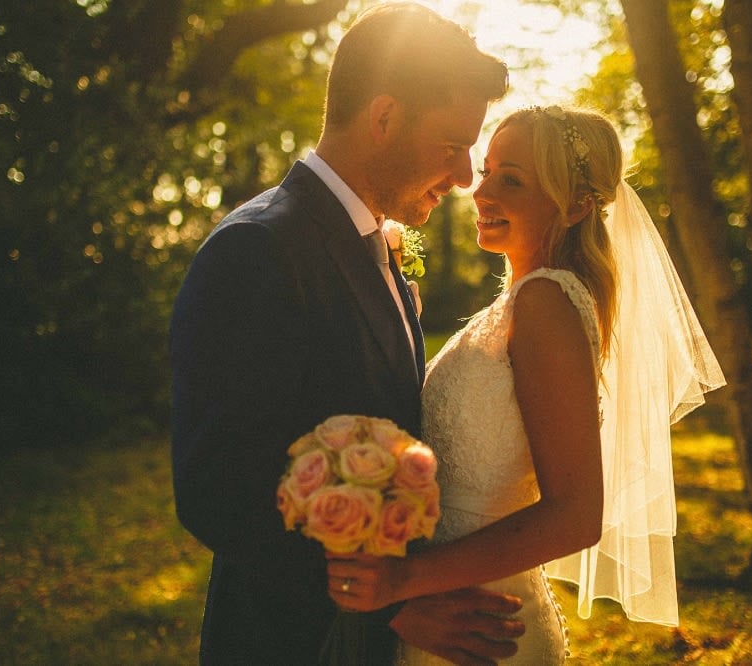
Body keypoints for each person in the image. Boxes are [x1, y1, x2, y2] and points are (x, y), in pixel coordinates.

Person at [170, 3, 521, 664]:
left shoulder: (381, 244)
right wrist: (393, 606)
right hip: (289, 640)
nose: (467, 176)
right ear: (384, 118)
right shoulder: (257, 251)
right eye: (453, 146)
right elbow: (215, 490)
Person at [325, 105, 726, 664]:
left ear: (577, 205)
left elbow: (576, 515)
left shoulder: (546, 304)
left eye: (511, 180)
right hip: (450, 607)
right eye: (487, 171)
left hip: (483, 622)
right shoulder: (520, 301)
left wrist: (403, 580)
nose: (481, 191)